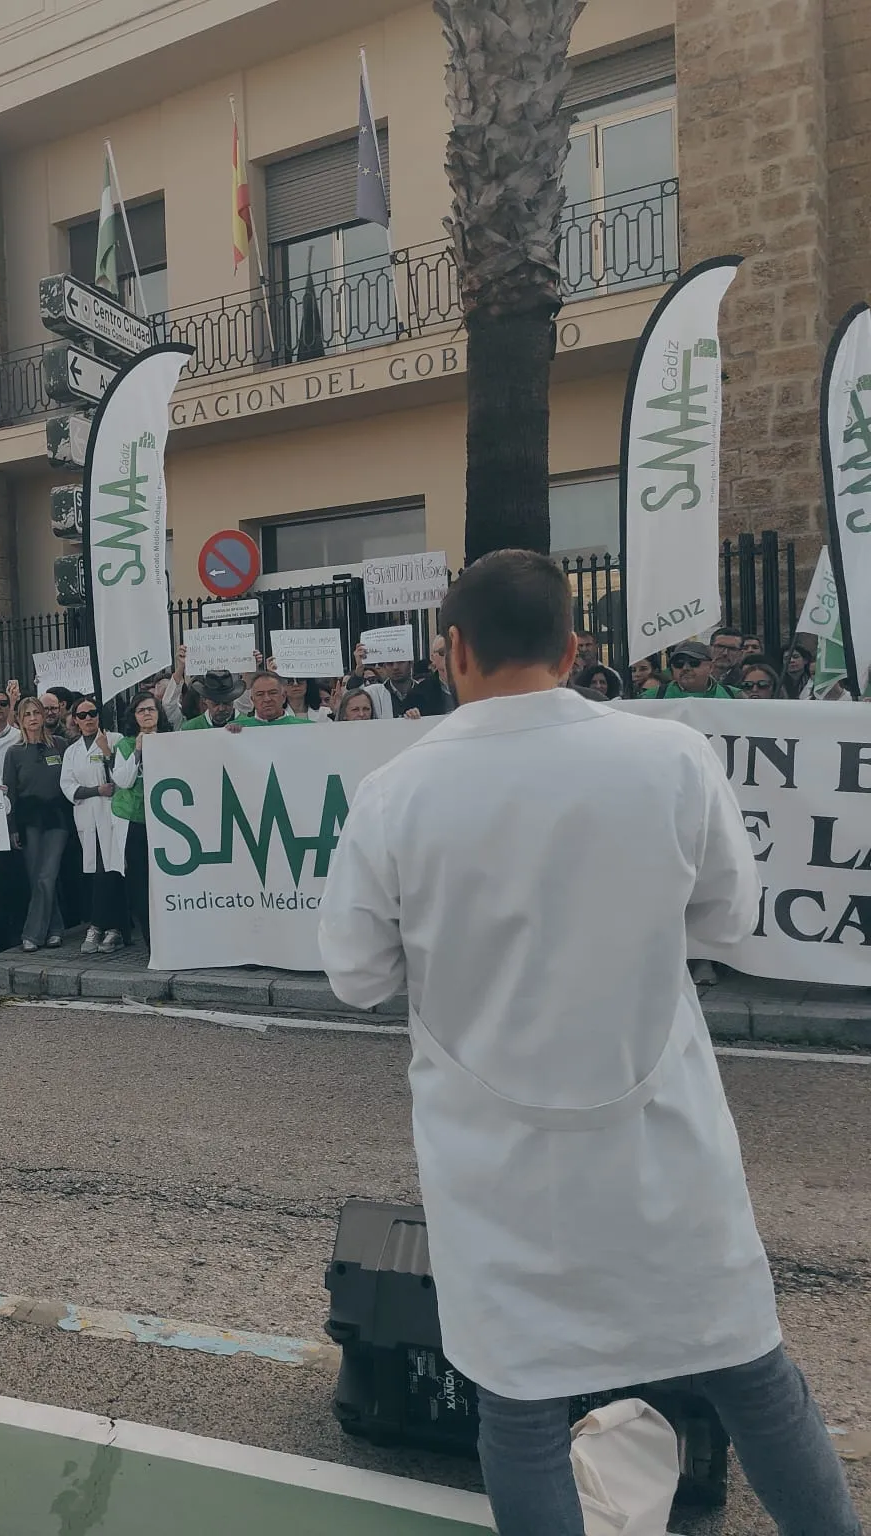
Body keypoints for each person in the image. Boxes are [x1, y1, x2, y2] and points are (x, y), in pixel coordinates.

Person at [318, 550, 857, 1536]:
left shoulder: (394, 794)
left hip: (494, 1166)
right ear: (573, 650)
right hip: (660, 1143)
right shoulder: (670, 756)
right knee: (750, 1378)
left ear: (450, 651)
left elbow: (354, 977)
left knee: (518, 1412)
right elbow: (731, 923)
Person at [2, 696, 71, 953]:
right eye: (27, 714)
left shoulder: (61, 746)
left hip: (57, 817)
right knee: (36, 878)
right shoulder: (14, 753)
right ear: (19, 719)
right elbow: (9, 794)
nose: (33, 718)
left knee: (47, 875)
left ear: (44, 716)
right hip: (28, 819)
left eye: (36, 713)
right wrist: (11, 828)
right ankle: (54, 928)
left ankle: (31, 933)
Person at [60, 696, 125, 955]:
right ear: (75, 719)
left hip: (112, 817)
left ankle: (110, 928)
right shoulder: (71, 751)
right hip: (88, 818)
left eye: (93, 713)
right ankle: (101, 926)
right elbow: (67, 785)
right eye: (83, 715)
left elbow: (123, 775)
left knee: (113, 872)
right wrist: (95, 790)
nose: (89, 719)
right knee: (97, 873)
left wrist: (106, 753)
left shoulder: (115, 740)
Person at [108, 693, 166, 947]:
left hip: (165, 819)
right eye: (141, 710)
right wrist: (139, 752)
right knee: (140, 881)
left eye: (151, 709)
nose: (146, 714)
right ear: (134, 715)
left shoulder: (170, 740)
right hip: (134, 820)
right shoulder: (125, 745)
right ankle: (151, 939)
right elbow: (123, 780)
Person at [649, 640, 734, 699]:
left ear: (711, 667)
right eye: (679, 664)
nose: (685, 668)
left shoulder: (734, 696)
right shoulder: (651, 697)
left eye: (694, 663)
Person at [405, 633, 458, 716]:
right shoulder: (419, 693)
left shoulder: (474, 686)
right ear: (433, 658)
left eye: (453, 650)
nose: (448, 656)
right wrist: (412, 715)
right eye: (442, 652)